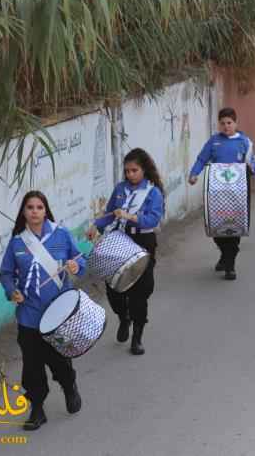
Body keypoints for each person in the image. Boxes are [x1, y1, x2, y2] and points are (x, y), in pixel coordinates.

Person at [0, 191, 87, 431]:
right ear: (24, 212)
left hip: (58, 314)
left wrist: (75, 265)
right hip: (29, 316)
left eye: (39, 207)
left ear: (45, 210)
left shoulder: (61, 234)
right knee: (32, 365)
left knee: (59, 361)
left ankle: (69, 386)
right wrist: (11, 291)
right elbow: (6, 273)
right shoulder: (17, 242)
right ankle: (36, 408)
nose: (34, 211)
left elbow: (81, 260)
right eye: (30, 207)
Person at [89, 149, 165, 355]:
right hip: (120, 240)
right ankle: (124, 317)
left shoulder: (152, 192)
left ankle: (137, 336)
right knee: (114, 288)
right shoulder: (120, 189)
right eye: (127, 171)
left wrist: (131, 216)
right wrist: (97, 225)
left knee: (141, 292)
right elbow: (110, 213)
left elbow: (153, 220)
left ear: (144, 170)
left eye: (134, 170)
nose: (130, 174)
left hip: (143, 241)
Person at [188, 108, 255, 280]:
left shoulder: (245, 142)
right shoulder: (214, 141)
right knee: (217, 227)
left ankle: (230, 265)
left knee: (235, 226)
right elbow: (201, 159)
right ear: (219, 124)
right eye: (223, 123)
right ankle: (224, 255)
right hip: (217, 193)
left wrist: (252, 168)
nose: (226, 126)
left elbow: (254, 163)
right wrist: (194, 173)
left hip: (239, 193)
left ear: (236, 123)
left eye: (229, 123)